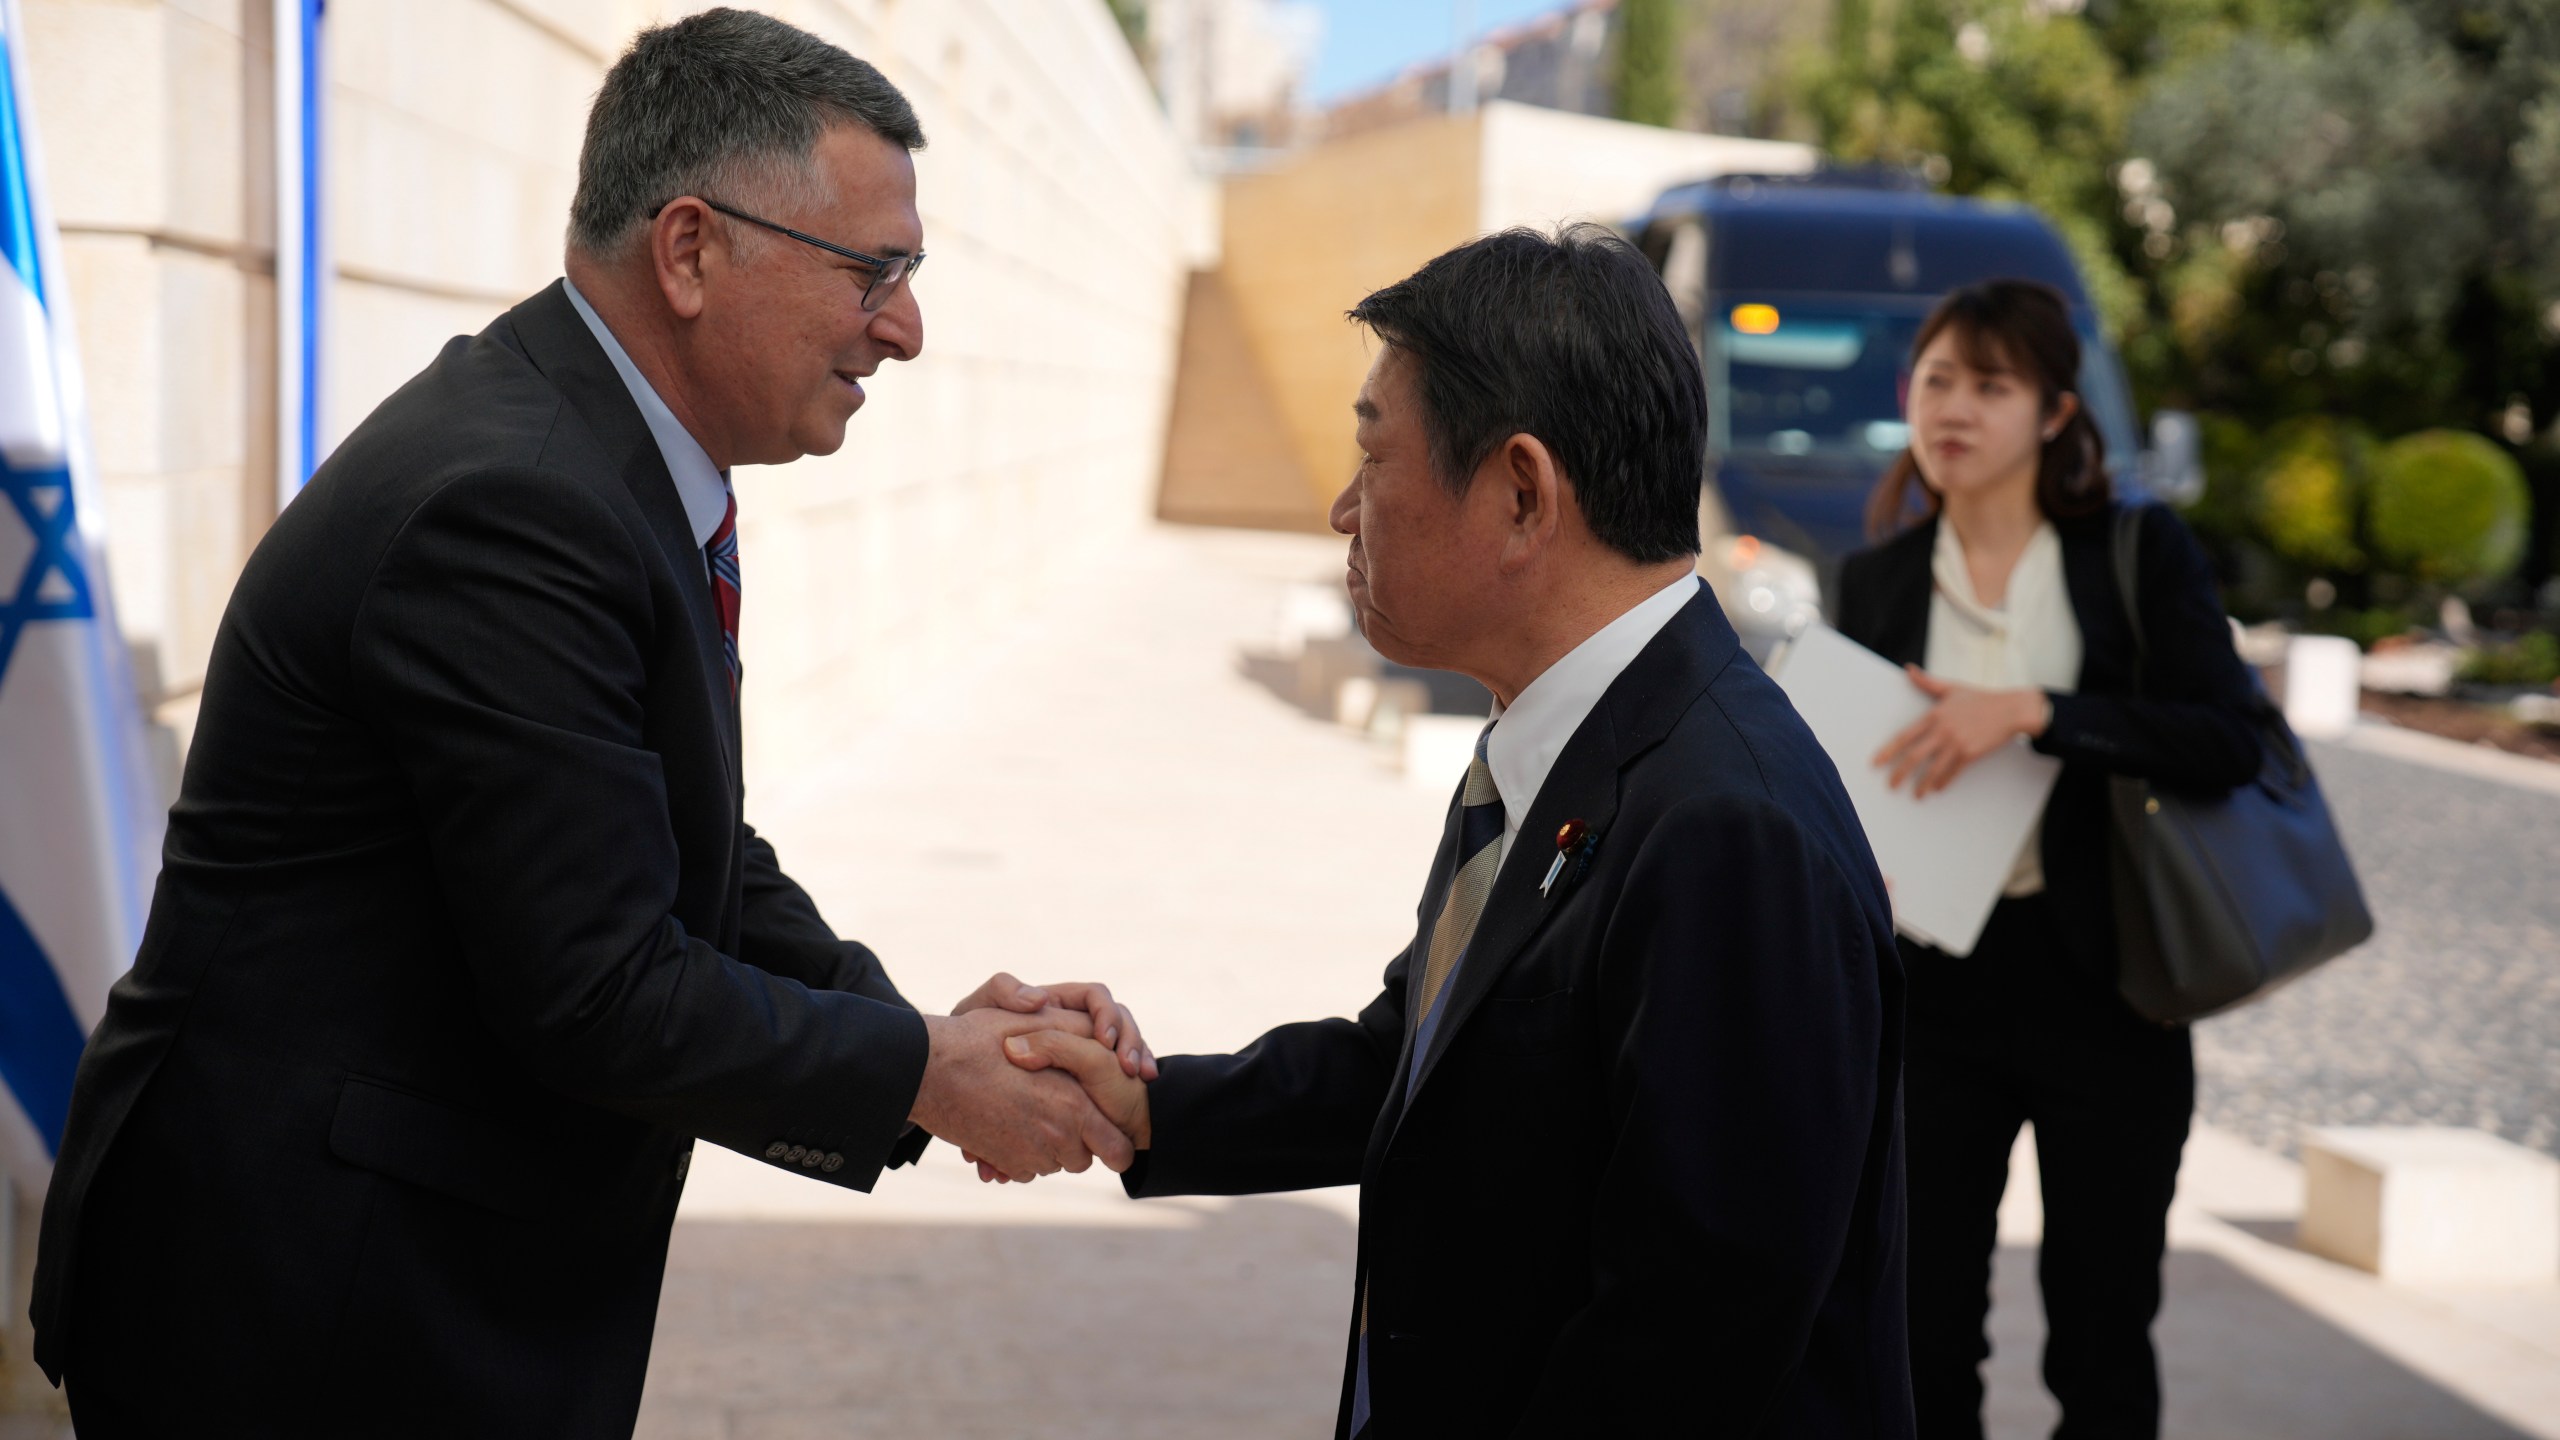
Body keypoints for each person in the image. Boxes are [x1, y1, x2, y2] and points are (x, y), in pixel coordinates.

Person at [29, 11, 1150, 1436]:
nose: (906, 329)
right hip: (309, 1313)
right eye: (873, 271)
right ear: (690, 251)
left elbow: (680, 848)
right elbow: (601, 990)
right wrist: (927, 1076)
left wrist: (920, 1039)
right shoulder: (515, 504)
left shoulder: (598, 459)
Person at [1001, 225, 1914, 1438]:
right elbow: (1425, 1066)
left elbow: (1688, 1344)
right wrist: (1148, 1108)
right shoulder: (1555, 741)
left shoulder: (1725, 829)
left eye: (1374, 455)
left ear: (1522, 495)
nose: (1343, 508)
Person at [1830, 280, 2262, 1439]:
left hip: (2108, 987)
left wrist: (2034, 711)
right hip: (1930, 1000)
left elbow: (2230, 739)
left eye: (1991, 384)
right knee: (1917, 1335)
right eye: (1936, 380)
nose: (1954, 409)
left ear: (2056, 411)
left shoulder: (2134, 550)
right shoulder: (1873, 580)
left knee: (2101, 1339)